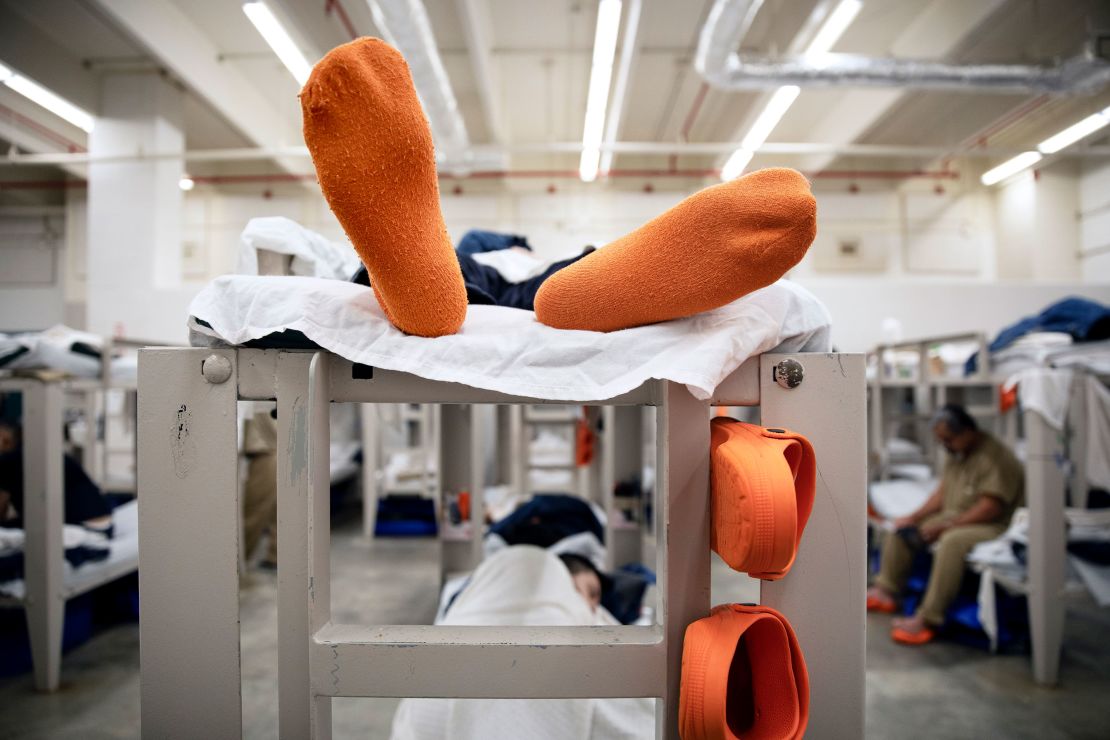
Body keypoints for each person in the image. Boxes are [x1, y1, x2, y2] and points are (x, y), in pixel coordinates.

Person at [866, 404, 1024, 645]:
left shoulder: (995, 457)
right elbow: (941, 496)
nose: (945, 445)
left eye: (949, 439)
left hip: (993, 524)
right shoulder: (957, 454)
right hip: (958, 516)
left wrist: (946, 526)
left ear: (967, 432)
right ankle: (887, 590)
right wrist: (913, 517)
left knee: (951, 542)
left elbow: (990, 508)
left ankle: (929, 618)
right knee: (902, 529)